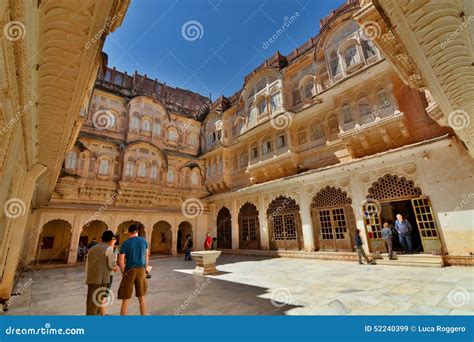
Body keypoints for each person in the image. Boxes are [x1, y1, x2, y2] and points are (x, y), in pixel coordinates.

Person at [117, 224, 149, 315]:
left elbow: (121, 261)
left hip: (129, 270)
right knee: (141, 298)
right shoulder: (143, 241)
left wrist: (124, 272)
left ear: (129, 233)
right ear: (137, 232)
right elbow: (146, 256)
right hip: (141, 270)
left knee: (126, 299)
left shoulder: (125, 243)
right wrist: (146, 268)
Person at [85, 230, 117, 315]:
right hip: (101, 280)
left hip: (91, 278)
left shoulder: (92, 248)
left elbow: (87, 264)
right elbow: (111, 266)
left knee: (90, 302)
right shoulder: (108, 248)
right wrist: (115, 268)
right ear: (110, 239)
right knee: (95, 303)